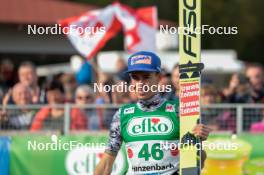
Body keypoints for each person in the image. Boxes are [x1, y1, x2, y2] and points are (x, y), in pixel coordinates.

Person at [94, 51, 211, 175]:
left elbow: (198, 163)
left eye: (146, 77)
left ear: (159, 78)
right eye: (135, 77)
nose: (140, 84)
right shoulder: (122, 114)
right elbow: (106, 163)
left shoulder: (179, 110)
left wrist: (199, 141)